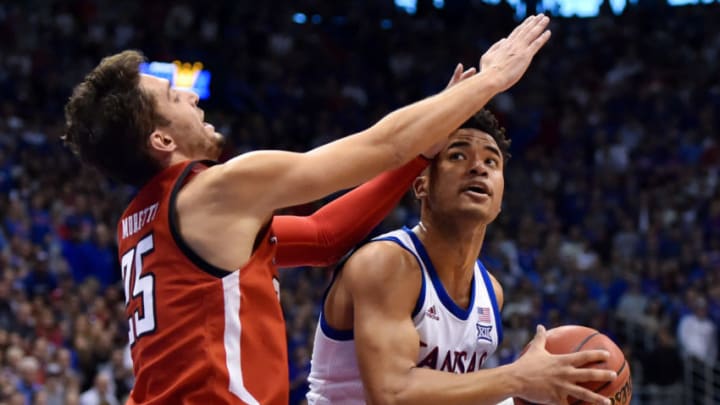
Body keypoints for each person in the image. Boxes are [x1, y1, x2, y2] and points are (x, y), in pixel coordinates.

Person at [62, 14, 553, 405]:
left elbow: (323, 237)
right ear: (162, 139)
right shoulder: (217, 191)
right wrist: (488, 82)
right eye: (174, 96)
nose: (191, 94)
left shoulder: (144, 219)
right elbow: (382, 145)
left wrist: (424, 150)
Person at [307, 110, 616, 405]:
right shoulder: (386, 264)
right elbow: (391, 395)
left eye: (491, 161)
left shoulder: (490, 293)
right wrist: (518, 378)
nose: (478, 167)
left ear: (500, 196)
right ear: (421, 184)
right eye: (458, 155)